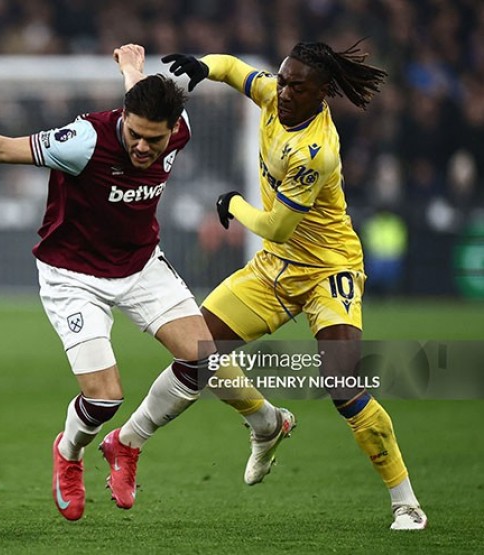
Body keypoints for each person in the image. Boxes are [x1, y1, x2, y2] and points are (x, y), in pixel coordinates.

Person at [0, 44, 289, 521]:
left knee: (203, 359)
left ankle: (127, 445)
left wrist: (132, 68)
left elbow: (142, 95)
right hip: (72, 276)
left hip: (140, 265)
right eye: (135, 136)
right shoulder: (82, 140)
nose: (143, 147)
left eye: (154, 141)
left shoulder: (177, 127)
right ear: (124, 120)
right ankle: (70, 453)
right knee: (105, 396)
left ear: (172, 132)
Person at [163, 40, 427, 531]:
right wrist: (202, 66)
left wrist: (234, 204)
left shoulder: (315, 153)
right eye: (282, 80)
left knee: (343, 387)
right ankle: (266, 424)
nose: (283, 92)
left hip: (328, 269)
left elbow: (277, 226)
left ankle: (406, 502)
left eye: (296, 87)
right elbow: (233, 68)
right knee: (196, 346)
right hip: (275, 270)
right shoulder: (272, 95)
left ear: (323, 93)